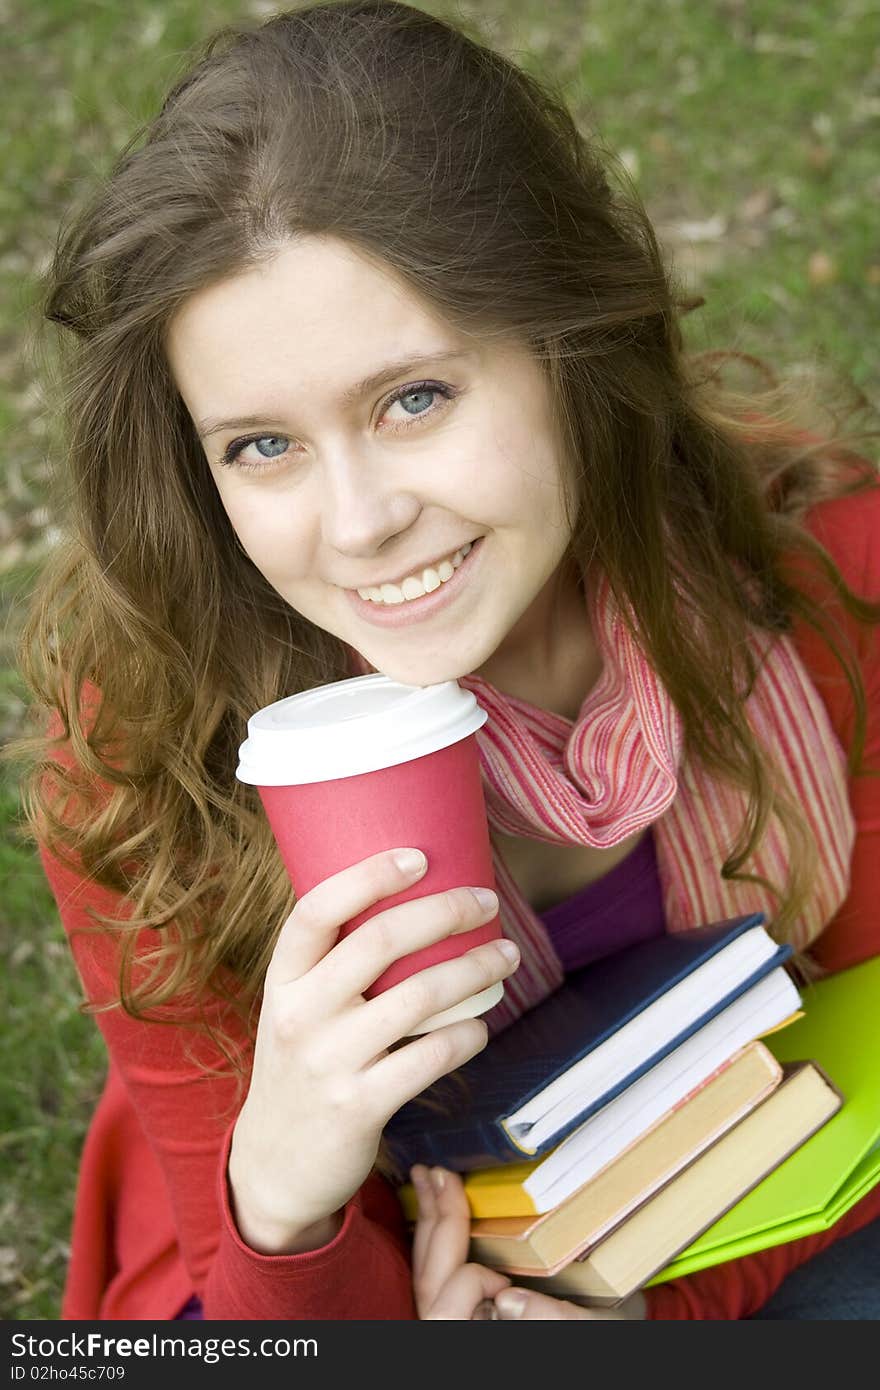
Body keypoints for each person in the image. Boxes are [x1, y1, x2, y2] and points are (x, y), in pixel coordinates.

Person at [7, 0, 879, 1322]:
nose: (358, 525)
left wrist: (649, 1320)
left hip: (763, 1210)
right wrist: (288, 1184)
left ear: (571, 347)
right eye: (262, 445)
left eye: (414, 398)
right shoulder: (146, 754)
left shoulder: (827, 580)